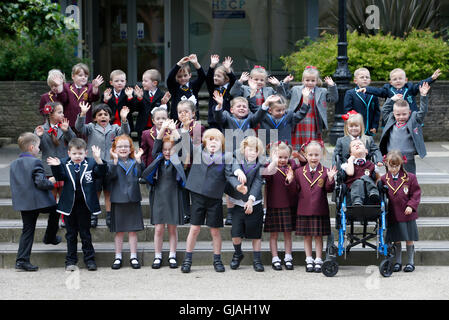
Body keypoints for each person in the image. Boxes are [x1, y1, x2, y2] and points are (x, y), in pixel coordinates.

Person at [47, 138, 107, 271]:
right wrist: (56, 167)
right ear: (69, 153)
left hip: (85, 205)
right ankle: (71, 261)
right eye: (74, 154)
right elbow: (60, 177)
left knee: (85, 233)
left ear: (86, 153)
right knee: (71, 234)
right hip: (69, 204)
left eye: (80, 154)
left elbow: (101, 173)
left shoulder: (91, 163)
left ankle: (90, 259)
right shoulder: (63, 163)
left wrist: (98, 159)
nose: (77, 156)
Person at [181, 128, 233, 273]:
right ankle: (187, 259)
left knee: (215, 231)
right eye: (210, 139)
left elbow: (229, 176)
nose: (213, 142)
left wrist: (238, 186)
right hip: (198, 196)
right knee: (195, 228)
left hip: (214, 198)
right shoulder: (198, 152)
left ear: (221, 143)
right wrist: (184, 130)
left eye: (216, 139)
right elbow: (187, 144)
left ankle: (217, 259)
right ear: (204, 141)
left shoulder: (225, 157)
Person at [10, 132, 61, 271]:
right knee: (57, 209)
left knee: (27, 230)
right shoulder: (35, 162)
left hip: (24, 203)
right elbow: (40, 183)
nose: (39, 149)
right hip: (38, 202)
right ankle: (50, 237)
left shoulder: (14, 164)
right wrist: (51, 181)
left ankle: (21, 261)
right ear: (32, 147)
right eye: (38, 146)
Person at [75, 102, 130, 228]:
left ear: (110, 117)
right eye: (99, 115)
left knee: (108, 191)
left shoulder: (115, 128)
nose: (103, 117)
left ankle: (110, 215)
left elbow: (125, 133)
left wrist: (124, 119)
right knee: (95, 190)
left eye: (105, 114)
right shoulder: (90, 128)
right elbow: (79, 127)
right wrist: (82, 114)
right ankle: (93, 215)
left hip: (110, 165)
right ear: (95, 118)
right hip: (94, 165)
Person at [142, 120, 186, 269]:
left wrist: (174, 130)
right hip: (159, 196)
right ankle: (158, 256)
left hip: (173, 196)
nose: (168, 152)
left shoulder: (177, 160)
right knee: (159, 228)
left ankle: (172, 255)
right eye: (165, 150)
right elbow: (157, 144)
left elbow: (181, 144)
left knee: (172, 228)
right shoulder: (158, 160)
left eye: (170, 149)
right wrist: (163, 129)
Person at [287, 140, 337, 272]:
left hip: (320, 209)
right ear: (305, 155)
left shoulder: (326, 171)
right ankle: (309, 259)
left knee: (318, 236)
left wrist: (331, 179)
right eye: (310, 155)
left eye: (316, 155)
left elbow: (328, 189)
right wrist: (290, 181)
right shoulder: (298, 172)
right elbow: (294, 191)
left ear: (321, 155)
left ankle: (318, 259)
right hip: (304, 209)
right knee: (307, 236)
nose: (313, 158)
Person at [226, 136, 266, 272]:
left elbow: (258, 182)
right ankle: (238, 254)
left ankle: (257, 259)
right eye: (249, 150)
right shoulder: (237, 159)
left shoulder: (260, 164)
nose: (252, 153)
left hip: (254, 202)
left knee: (256, 234)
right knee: (236, 233)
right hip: (238, 203)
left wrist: (251, 200)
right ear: (244, 150)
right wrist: (238, 173)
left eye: (255, 150)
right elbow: (232, 170)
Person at [35, 102, 76, 227]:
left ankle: (65, 219)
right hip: (48, 168)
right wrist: (40, 137)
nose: (63, 114)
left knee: (64, 195)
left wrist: (67, 130)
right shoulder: (41, 129)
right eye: (59, 112)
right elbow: (38, 148)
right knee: (51, 197)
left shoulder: (64, 126)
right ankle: (53, 222)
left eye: (62, 112)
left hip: (63, 167)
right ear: (51, 114)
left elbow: (74, 142)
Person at [108, 135, 145, 270]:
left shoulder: (134, 162)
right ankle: (118, 256)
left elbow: (141, 175)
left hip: (133, 199)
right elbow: (109, 176)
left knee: (133, 231)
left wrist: (139, 160)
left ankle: (133, 256)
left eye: (126, 146)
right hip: (118, 199)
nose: (123, 149)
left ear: (130, 148)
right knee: (119, 231)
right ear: (114, 149)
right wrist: (115, 161)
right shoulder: (112, 163)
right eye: (120, 146)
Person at [377, 82, 430, 174]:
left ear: (409, 112)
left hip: (407, 158)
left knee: (409, 179)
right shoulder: (390, 119)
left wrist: (423, 96)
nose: (401, 117)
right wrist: (391, 99)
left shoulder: (414, 119)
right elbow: (385, 110)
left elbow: (423, 111)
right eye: (398, 114)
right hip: (391, 157)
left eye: (404, 114)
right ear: (394, 114)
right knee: (391, 179)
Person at [381, 150, 421, 273]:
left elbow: (416, 193)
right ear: (386, 164)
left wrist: (411, 205)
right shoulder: (383, 179)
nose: (394, 169)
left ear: (401, 164)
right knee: (396, 238)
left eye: (396, 166)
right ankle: (397, 262)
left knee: (409, 238)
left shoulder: (409, 177)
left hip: (407, 213)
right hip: (393, 214)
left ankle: (410, 262)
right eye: (391, 166)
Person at [262, 141, 298, 271]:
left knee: (288, 234)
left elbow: (295, 187)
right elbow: (265, 174)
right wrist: (273, 161)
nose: (282, 160)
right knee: (274, 235)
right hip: (273, 206)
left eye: (285, 157)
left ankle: (288, 257)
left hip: (288, 205)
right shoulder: (270, 167)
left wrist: (290, 179)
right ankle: (275, 258)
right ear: (272, 156)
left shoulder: (291, 168)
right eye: (279, 157)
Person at [287, 66, 338, 151]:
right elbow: (285, 95)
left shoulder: (322, 91)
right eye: (307, 80)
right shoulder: (296, 89)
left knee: (311, 146)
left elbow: (333, 99)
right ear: (303, 80)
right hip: (298, 122)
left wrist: (332, 86)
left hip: (314, 122)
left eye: (313, 80)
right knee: (297, 147)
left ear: (317, 81)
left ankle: (310, 161)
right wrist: (285, 83)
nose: (310, 83)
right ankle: (298, 162)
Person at [361, 68, 440, 112]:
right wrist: (367, 89)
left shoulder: (410, 88)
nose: (398, 81)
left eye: (400, 78)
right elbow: (378, 91)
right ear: (391, 82)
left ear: (406, 80)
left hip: (410, 116)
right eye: (395, 79)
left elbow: (421, 84)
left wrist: (431, 78)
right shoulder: (388, 89)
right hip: (395, 117)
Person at [134, 69, 171, 146]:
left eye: (145, 81)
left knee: (156, 145)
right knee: (143, 146)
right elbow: (136, 108)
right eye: (142, 81)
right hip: (142, 126)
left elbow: (167, 110)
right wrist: (139, 98)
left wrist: (164, 103)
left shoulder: (161, 95)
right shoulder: (142, 94)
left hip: (156, 126)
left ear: (154, 83)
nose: (143, 83)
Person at [63, 63, 103, 129]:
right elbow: (62, 98)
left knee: (84, 139)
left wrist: (95, 87)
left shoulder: (90, 87)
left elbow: (94, 98)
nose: (83, 77)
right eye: (80, 75)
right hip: (69, 122)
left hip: (85, 122)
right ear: (73, 76)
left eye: (86, 76)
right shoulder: (67, 87)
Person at [167, 54, 206, 121]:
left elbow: (202, 76)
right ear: (176, 77)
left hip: (194, 119)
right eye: (179, 76)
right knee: (178, 132)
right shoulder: (174, 87)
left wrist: (196, 63)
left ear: (190, 75)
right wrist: (179, 64)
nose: (183, 78)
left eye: (185, 75)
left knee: (197, 132)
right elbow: (170, 78)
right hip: (177, 121)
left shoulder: (193, 86)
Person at [341, 139, 380, 206]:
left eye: (360, 144)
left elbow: (378, 178)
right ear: (351, 154)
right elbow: (350, 173)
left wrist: (377, 184)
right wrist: (350, 160)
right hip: (353, 192)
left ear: (366, 151)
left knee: (366, 178)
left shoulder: (372, 165)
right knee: (359, 181)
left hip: (369, 193)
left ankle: (374, 193)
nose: (357, 145)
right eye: (353, 145)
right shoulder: (347, 165)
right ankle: (357, 201)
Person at [343, 67, 380, 135]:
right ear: (355, 81)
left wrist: (375, 126)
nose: (365, 79)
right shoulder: (350, 93)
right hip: (355, 128)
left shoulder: (374, 94)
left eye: (367, 77)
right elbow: (348, 110)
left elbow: (376, 112)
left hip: (369, 128)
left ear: (370, 80)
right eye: (362, 77)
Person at [206, 55, 236, 129]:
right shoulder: (213, 89)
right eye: (215, 76)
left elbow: (233, 80)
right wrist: (212, 65)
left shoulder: (230, 89)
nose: (215, 78)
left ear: (226, 79)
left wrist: (228, 70)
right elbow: (208, 79)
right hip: (213, 122)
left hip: (227, 122)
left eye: (218, 76)